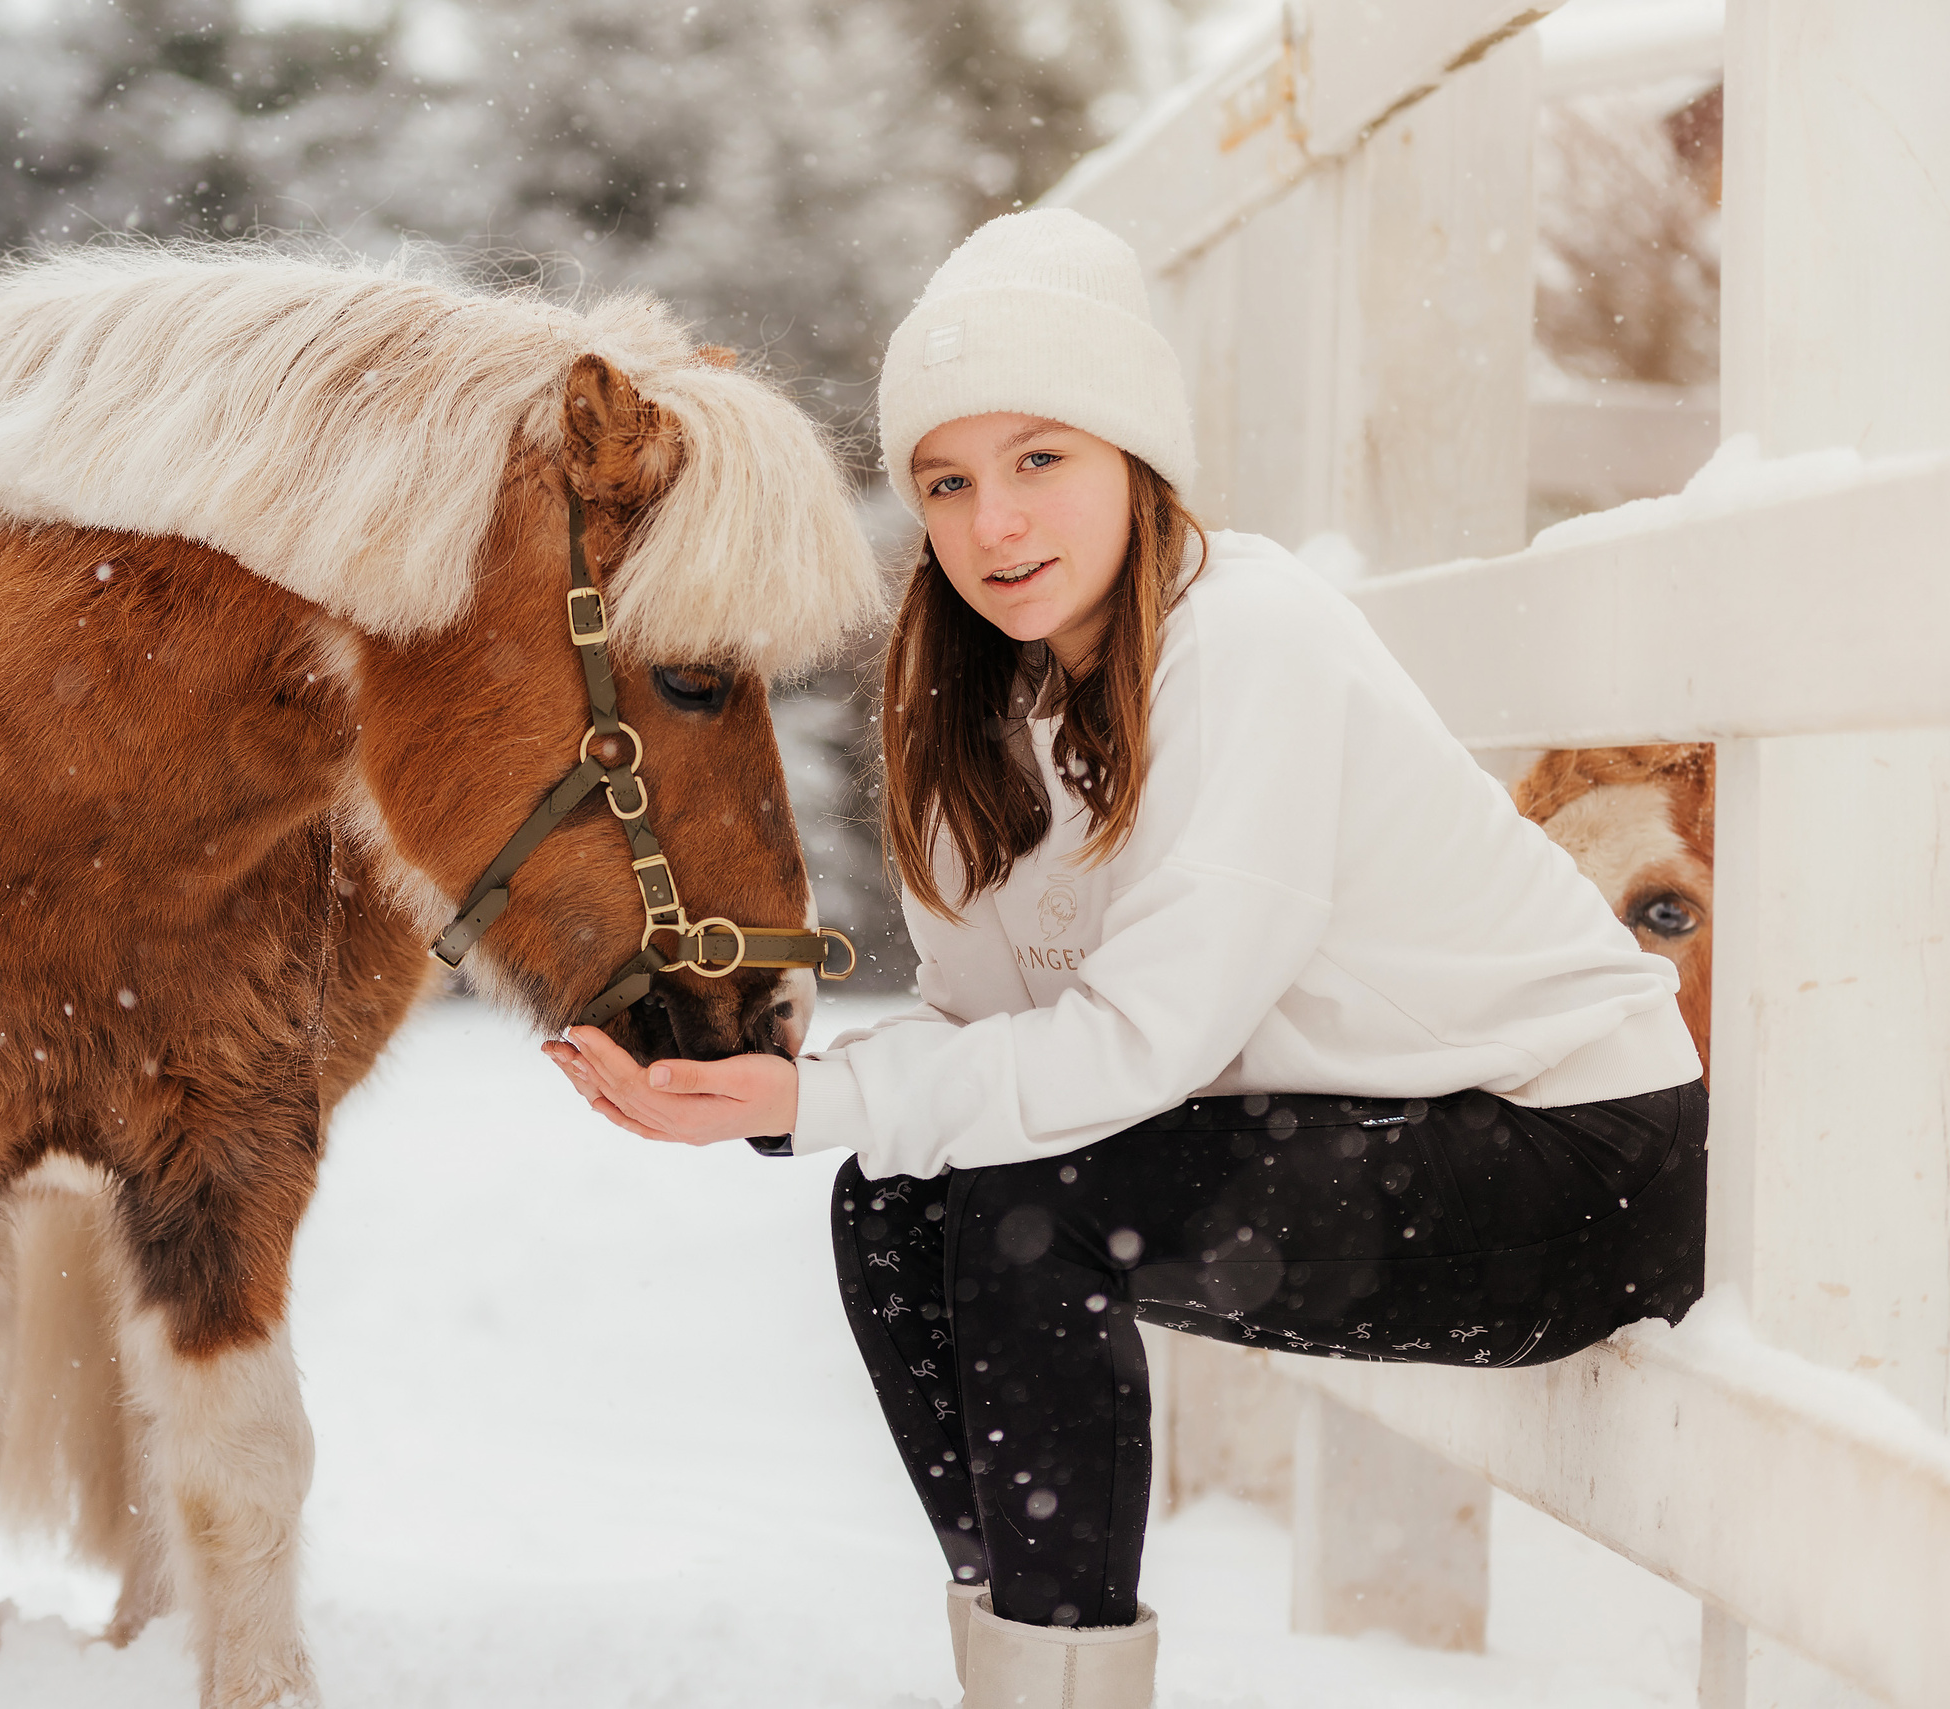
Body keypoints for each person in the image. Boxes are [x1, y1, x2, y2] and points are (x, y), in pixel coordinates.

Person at [545, 209, 1705, 1709]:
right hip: (1367, 1123)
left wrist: (805, 1094)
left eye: (1042, 460)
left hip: (1572, 1149)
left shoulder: (1252, 637)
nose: (992, 524)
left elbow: (1140, 1050)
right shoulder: (963, 706)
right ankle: (1030, 1667)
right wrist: (801, 1097)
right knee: (895, 1196)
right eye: (947, 481)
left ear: (1136, 462)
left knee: (1033, 1204)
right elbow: (988, 1045)